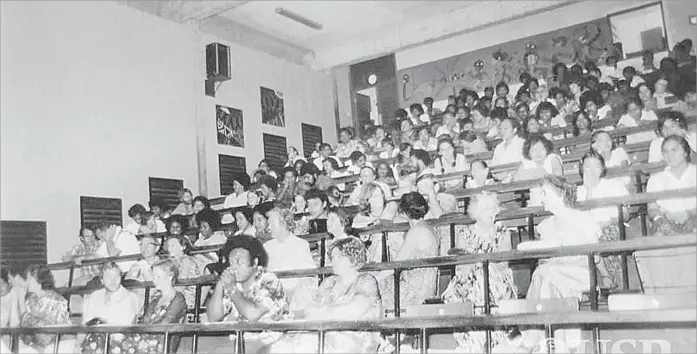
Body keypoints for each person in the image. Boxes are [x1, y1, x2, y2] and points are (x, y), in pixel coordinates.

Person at [500, 176, 611, 353]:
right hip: (552, 273)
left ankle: (536, 337)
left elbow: (595, 255)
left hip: (579, 272)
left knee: (545, 273)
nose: (541, 198)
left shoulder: (583, 218)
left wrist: (605, 275)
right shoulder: (546, 226)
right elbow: (544, 259)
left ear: (560, 193)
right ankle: (552, 340)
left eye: (545, 193)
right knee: (543, 272)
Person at [272, 237, 382, 353]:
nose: (333, 261)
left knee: (307, 341)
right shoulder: (329, 282)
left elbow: (354, 311)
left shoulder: (366, 281)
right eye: (333, 258)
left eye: (338, 257)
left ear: (352, 258)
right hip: (326, 333)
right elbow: (311, 308)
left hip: (355, 339)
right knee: (284, 342)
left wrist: (322, 312)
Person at [442, 192, 517, 352]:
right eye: (486, 208)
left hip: (497, 279)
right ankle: (474, 340)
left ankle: (493, 339)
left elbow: (503, 264)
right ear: (476, 211)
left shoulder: (503, 232)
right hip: (468, 279)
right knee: (468, 285)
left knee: (484, 275)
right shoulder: (464, 233)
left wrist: (481, 265)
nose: (492, 212)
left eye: (493, 208)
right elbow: (460, 266)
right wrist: (474, 267)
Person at [205, 236, 292, 353]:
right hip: (242, 338)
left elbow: (252, 315)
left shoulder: (269, 280)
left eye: (238, 262)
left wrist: (232, 288)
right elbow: (213, 318)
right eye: (230, 263)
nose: (234, 267)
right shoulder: (234, 283)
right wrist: (221, 283)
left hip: (272, 340)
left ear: (255, 262)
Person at [577, 152, 632, 287]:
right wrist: (589, 191)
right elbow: (581, 219)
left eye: (596, 166)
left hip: (612, 226)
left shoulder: (614, 185)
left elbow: (625, 214)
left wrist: (609, 222)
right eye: (587, 167)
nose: (592, 170)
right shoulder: (578, 191)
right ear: (582, 169)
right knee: (586, 238)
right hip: (587, 231)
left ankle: (607, 277)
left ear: (602, 168)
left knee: (596, 241)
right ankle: (605, 276)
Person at [376, 192, 439, 310]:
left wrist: (374, 279)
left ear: (404, 212)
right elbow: (417, 255)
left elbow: (396, 264)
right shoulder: (427, 227)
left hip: (415, 290)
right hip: (427, 286)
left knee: (373, 288)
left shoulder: (415, 231)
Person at [112, 260, 188, 354]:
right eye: (154, 277)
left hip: (163, 342)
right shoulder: (155, 301)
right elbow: (143, 322)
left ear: (169, 277)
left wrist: (142, 334)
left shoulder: (178, 299)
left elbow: (166, 323)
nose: (155, 280)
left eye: (158, 277)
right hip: (146, 339)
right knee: (113, 340)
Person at [264, 207, 317, 311]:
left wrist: (293, 299)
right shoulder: (267, 247)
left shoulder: (300, 245)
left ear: (283, 223)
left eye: (271, 223)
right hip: (271, 299)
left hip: (294, 299)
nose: (268, 228)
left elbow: (309, 278)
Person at [82, 262, 140, 354]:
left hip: (119, 343)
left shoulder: (129, 297)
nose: (113, 281)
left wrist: (102, 323)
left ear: (121, 278)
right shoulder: (94, 296)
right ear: (102, 280)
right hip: (94, 341)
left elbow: (124, 328)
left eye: (116, 277)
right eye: (109, 277)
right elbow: (86, 324)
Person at [18, 265, 73, 354]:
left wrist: (26, 318)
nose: (27, 282)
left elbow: (44, 326)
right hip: (39, 344)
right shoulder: (32, 298)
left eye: (29, 279)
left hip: (58, 343)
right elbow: (24, 323)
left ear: (39, 281)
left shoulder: (54, 299)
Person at [512, 135, 562, 206]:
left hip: (554, 198)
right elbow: (515, 180)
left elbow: (558, 176)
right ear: (528, 152)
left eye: (542, 148)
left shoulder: (552, 158)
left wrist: (534, 174)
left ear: (547, 149)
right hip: (535, 201)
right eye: (534, 149)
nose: (538, 153)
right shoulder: (526, 163)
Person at [166, 236, 203, 310]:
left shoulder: (186, 261)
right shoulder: (171, 261)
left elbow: (181, 285)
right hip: (176, 293)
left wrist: (167, 297)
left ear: (182, 247)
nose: (169, 249)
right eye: (168, 246)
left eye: (173, 246)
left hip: (188, 295)